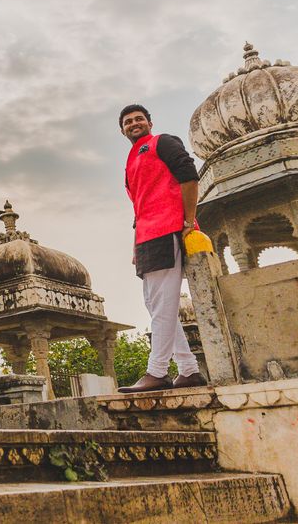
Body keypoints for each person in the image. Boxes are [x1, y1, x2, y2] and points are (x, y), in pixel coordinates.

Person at [117, 105, 207, 393]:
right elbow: (139, 207)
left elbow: (189, 175)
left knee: (163, 304)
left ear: (149, 122)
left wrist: (188, 220)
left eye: (139, 119)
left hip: (167, 227)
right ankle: (188, 369)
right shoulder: (131, 160)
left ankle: (156, 372)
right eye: (128, 121)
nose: (134, 124)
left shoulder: (162, 142)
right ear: (122, 130)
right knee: (156, 304)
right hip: (146, 235)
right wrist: (136, 244)